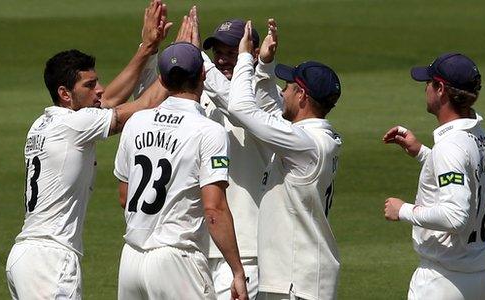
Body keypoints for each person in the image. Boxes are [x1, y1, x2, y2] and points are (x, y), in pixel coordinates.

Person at [5, 1, 171, 299]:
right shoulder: (75, 125)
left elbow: (107, 102)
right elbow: (144, 105)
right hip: (50, 259)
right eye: (90, 84)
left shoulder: (46, 122)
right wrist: (178, 62)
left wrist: (147, 48)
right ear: (65, 93)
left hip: (24, 256)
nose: (99, 90)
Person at [159, 9, 280, 299]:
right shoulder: (202, 96)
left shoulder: (267, 98)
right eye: (217, 53)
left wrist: (195, 56)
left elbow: (239, 107)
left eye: (231, 52)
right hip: (197, 245)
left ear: (250, 55)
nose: (223, 60)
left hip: (245, 248)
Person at [113, 41, 248, 300]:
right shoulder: (209, 131)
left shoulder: (136, 122)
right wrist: (237, 271)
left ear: (162, 79)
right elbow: (214, 210)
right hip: (176, 259)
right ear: (203, 75)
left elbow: (124, 196)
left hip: (130, 258)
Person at [228, 21, 343, 300]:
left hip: (297, 282)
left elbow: (241, 108)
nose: (283, 92)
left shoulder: (305, 143)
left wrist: (245, 57)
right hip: (291, 277)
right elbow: (269, 110)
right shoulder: (311, 137)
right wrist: (265, 67)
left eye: (289, 87)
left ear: (302, 95)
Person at [383, 53, 485, 299]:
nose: (425, 88)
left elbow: (455, 215)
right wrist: (424, 154)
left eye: (429, 83)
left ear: (441, 89)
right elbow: (467, 175)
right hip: (484, 278)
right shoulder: (480, 136)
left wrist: (402, 210)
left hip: (445, 281)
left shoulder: (450, 146)